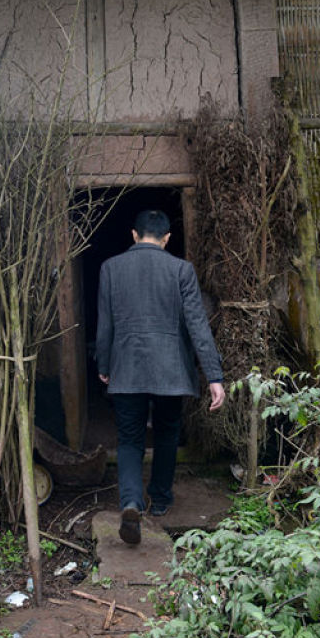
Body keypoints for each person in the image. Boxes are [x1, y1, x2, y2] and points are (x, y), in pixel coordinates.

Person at [96, 209, 225, 546]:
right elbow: (197, 324)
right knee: (167, 433)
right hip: (171, 371)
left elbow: (105, 324)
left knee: (129, 439)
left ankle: (130, 502)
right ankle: (161, 498)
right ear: (167, 238)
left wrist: (104, 364)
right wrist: (214, 376)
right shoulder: (181, 269)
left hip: (127, 367)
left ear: (134, 235)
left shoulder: (110, 268)